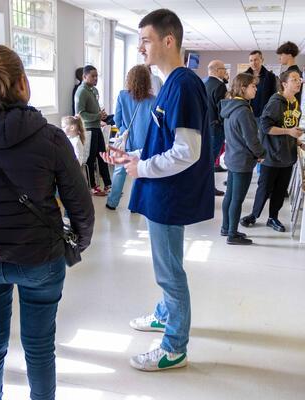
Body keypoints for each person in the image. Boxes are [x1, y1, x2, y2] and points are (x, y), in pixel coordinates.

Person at [0, 44, 94, 400]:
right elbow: (80, 205)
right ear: (22, 83)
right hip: (40, 257)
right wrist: (76, 244)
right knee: (40, 349)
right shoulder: (50, 137)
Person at [102, 9, 214, 371]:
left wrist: (142, 167)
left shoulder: (182, 85)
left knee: (169, 272)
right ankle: (166, 314)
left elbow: (187, 152)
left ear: (168, 40)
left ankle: (174, 346)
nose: (140, 50)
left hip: (170, 195)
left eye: (145, 41)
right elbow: (162, 142)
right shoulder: (170, 85)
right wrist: (130, 156)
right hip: (162, 192)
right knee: (171, 264)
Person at [240, 70, 305, 232]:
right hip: (271, 154)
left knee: (280, 190)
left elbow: (289, 127)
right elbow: (265, 127)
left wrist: (296, 141)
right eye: (294, 79)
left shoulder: (295, 103)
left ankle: (273, 218)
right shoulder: (276, 102)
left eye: (299, 79)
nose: (299, 82)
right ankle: (254, 215)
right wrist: (289, 132)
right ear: (284, 84)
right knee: (265, 188)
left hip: (287, 155)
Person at [220, 73, 265, 245]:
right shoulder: (243, 111)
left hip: (233, 158)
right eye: (253, 86)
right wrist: (261, 154)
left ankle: (226, 227)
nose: (256, 89)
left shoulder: (230, 107)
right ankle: (232, 234)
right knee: (237, 199)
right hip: (242, 161)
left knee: (230, 196)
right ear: (243, 88)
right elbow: (251, 139)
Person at [106, 65, 156, 210]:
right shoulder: (153, 100)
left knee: (119, 171)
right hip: (144, 141)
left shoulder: (122, 95)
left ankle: (112, 202)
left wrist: (123, 130)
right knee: (139, 172)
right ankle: (135, 205)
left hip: (125, 141)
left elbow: (117, 119)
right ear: (147, 80)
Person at [75, 65, 112, 196]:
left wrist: (101, 115)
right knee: (90, 159)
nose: (96, 78)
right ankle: (93, 187)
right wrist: (97, 116)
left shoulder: (94, 90)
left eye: (97, 76)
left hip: (97, 128)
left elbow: (94, 109)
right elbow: (80, 114)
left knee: (103, 156)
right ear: (84, 77)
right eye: (93, 76)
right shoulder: (81, 92)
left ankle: (108, 185)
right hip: (88, 130)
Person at [204, 59, 228, 195]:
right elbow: (222, 110)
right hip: (215, 128)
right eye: (224, 69)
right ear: (217, 70)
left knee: (205, 159)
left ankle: (204, 187)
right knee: (211, 160)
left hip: (204, 126)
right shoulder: (220, 86)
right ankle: (209, 188)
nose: (225, 72)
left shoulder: (202, 82)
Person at [245, 51, 277, 122]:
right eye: (251, 60)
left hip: (263, 115)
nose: (253, 63)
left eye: (256, 60)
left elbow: (273, 96)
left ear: (262, 60)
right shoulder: (244, 76)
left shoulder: (270, 77)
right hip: (246, 113)